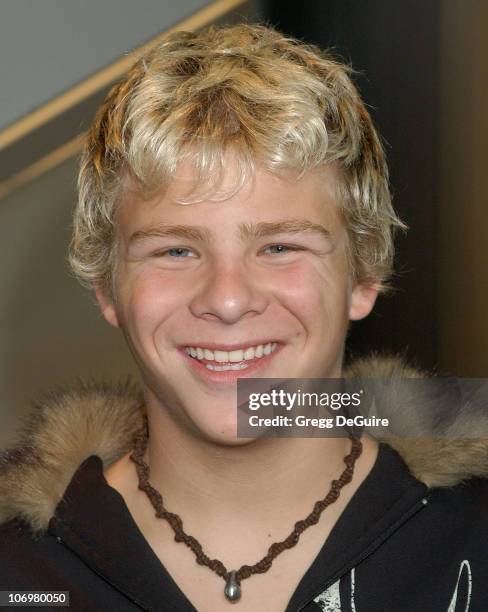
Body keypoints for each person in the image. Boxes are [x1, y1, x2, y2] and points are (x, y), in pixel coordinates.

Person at [1, 23, 487, 612]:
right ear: (107, 287)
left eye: (280, 247)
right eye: (175, 250)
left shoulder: (472, 538)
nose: (228, 300)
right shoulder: (20, 570)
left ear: (365, 273)